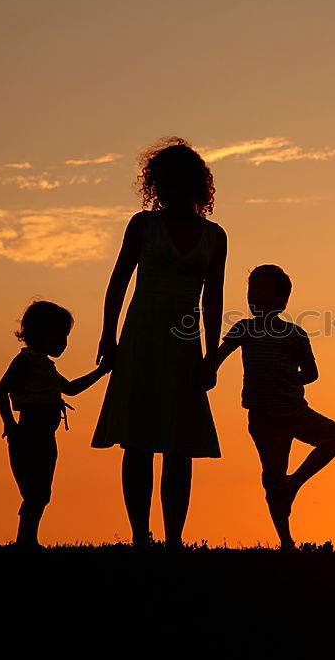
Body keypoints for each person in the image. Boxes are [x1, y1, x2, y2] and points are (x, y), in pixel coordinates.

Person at [92, 136, 226, 548]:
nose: (165, 188)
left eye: (174, 180)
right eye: (160, 180)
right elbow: (119, 281)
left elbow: (214, 298)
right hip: (141, 335)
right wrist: (108, 336)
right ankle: (138, 536)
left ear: (195, 184)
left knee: (179, 443)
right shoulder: (142, 225)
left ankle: (173, 539)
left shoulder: (215, 235)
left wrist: (211, 358)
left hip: (184, 342)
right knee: (137, 439)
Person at [203, 264, 335, 549]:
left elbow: (311, 373)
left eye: (263, 288)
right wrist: (206, 372)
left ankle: (295, 483)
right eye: (251, 288)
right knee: (272, 479)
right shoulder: (243, 328)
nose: (254, 294)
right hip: (263, 418)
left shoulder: (295, 334)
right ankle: (286, 541)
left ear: (282, 300)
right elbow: (217, 359)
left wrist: (289, 378)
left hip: (295, 411)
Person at [0, 300, 110, 548]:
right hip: (28, 436)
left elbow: (70, 389)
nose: (63, 342)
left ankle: (27, 539)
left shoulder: (45, 366)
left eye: (65, 336)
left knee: (42, 492)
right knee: (35, 492)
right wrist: (10, 424)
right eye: (57, 334)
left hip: (46, 438)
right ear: (36, 332)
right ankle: (25, 540)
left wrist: (100, 372)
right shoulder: (24, 362)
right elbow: (0, 391)